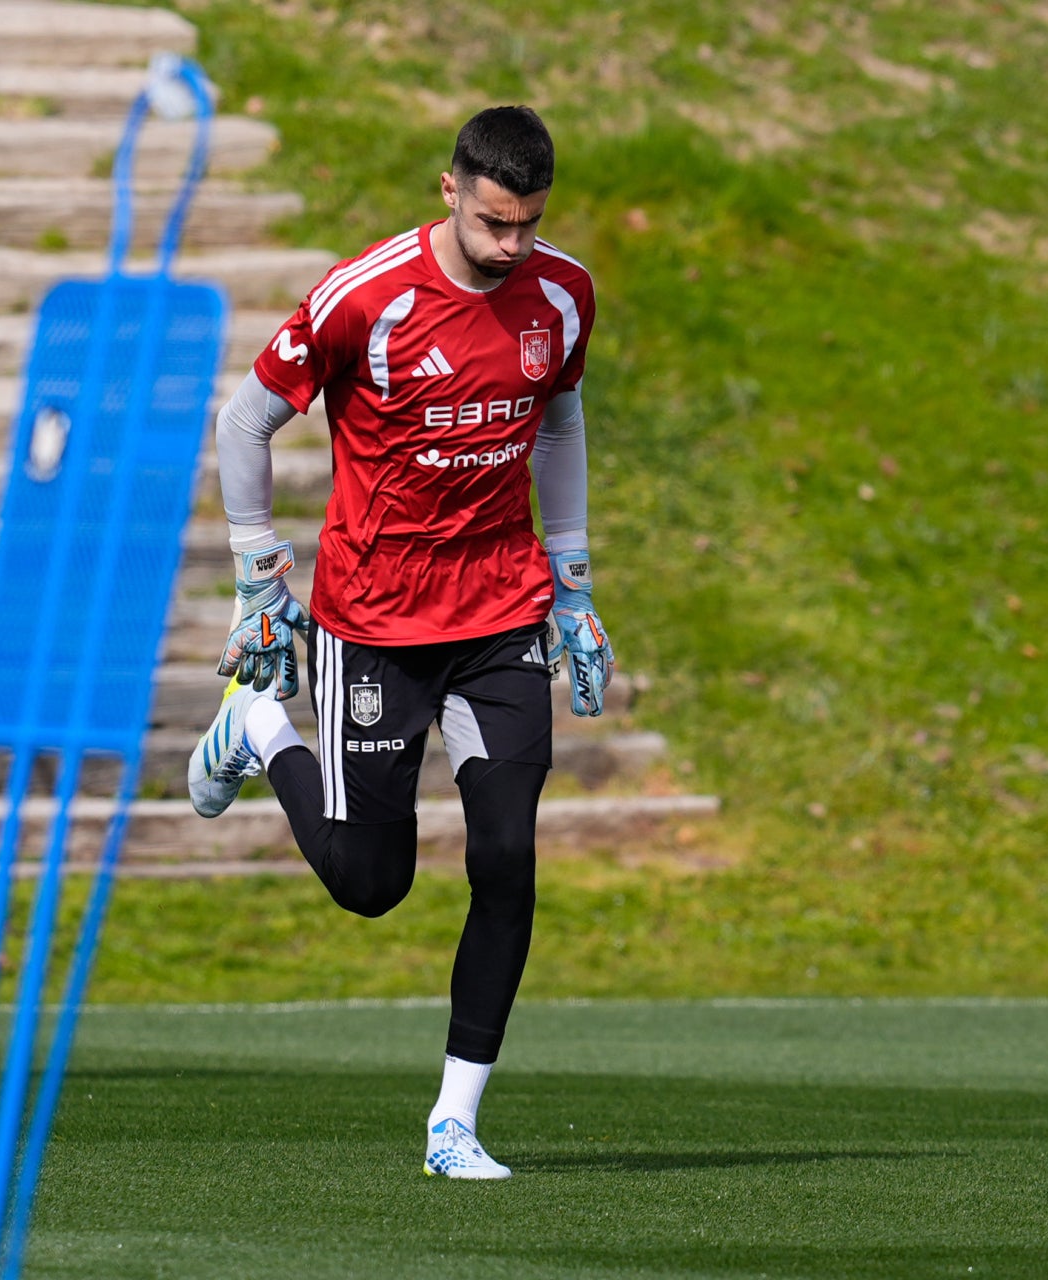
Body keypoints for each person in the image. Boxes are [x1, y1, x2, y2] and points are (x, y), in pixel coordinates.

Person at [186, 105, 610, 1181]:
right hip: (374, 620)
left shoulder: (562, 295)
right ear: (450, 189)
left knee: (506, 854)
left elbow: (557, 426)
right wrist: (255, 570)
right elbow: (245, 421)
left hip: (501, 613)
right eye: (494, 222)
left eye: (529, 225)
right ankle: (259, 727)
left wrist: (571, 582)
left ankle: (453, 1121)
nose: (512, 246)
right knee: (371, 884)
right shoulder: (362, 298)